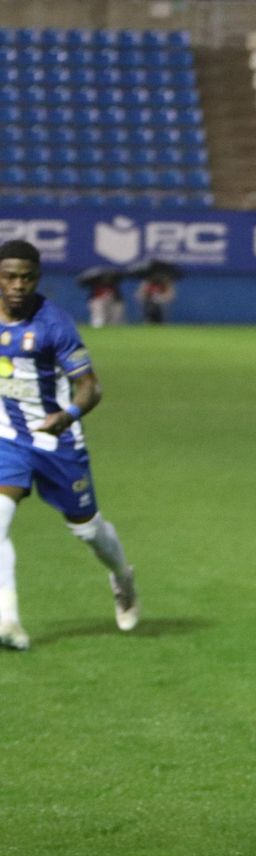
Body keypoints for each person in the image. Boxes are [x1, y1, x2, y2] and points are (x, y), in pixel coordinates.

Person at [0, 240, 139, 652]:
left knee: (88, 530)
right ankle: (8, 620)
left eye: (27, 278)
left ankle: (122, 575)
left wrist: (68, 416)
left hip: (58, 442)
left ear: (37, 279)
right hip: (9, 439)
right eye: (9, 277)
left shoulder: (54, 324)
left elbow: (90, 387)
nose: (18, 285)